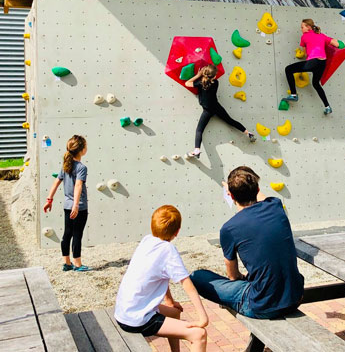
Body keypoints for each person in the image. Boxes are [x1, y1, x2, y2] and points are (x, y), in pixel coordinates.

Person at [190, 166, 304, 319]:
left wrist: (231, 188)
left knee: (197, 276)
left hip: (262, 305)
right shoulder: (275, 206)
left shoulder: (229, 228)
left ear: (230, 196)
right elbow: (261, 196)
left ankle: (237, 299)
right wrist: (242, 183)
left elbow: (233, 276)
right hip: (295, 297)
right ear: (257, 189)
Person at [114, 205, 208, 352]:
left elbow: (160, 274)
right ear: (177, 232)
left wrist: (170, 301)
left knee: (175, 311)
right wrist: (203, 318)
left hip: (123, 313)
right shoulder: (168, 250)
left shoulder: (147, 241)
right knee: (199, 334)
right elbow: (187, 284)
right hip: (138, 320)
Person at [43, 135, 91, 272]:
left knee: (67, 234)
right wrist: (76, 205)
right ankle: (77, 264)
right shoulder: (81, 167)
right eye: (85, 146)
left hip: (66, 206)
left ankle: (67, 262)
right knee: (77, 235)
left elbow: (56, 183)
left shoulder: (66, 166)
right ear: (82, 150)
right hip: (78, 207)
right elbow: (78, 186)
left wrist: (49, 199)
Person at [186, 65, 255, 159]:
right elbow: (209, 81)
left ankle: (197, 150)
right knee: (230, 121)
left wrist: (198, 75)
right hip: (216, 107)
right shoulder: (216, 83)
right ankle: (248, 133)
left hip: (207, 110)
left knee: (199, 130)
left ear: (204, 73)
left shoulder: (200, 83)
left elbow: (187, 83)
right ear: (214, 77)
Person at [281, 18, 345, 115]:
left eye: (302, 27)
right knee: (316, 84)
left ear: (308, 27)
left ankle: (293, 94)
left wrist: (300, 54)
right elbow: (337, 44)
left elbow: (304, 54)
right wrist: (342, 44)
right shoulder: (322, 36)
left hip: (313, 62)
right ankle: (327, 107)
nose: (301, 29)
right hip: (322, 63)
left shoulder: (304, 36)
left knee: (288, 69)